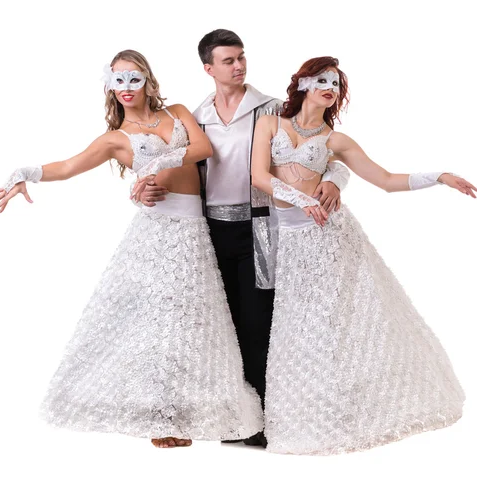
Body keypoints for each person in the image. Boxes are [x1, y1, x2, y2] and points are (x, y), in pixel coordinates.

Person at [0, 49, 263, 449]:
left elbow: (204, 148)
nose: (126, 88)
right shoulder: (115, 139)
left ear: (147, 80)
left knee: (196, 323)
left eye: (133, 79)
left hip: (195, 230)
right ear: (109, 86)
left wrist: (155, 169)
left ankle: (193, 411)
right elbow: (68, 166)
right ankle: (161, 418)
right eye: (117, 80)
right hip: (156, 234)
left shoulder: (178, 113)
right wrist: (24, 173)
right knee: (157, 323)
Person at [135, 29, 351, 448]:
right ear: (209, 68)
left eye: (241, 57)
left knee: (257, 321)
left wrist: (336, 178)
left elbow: (323, 145)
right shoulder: (196, 117)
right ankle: (227, 418)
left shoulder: (270, 109)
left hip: (262, 227)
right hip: (209, 228)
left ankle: (262, 421)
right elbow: (169, 164)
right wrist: (142, 189)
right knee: (218, 322)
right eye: (229, 60)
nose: (239, 65)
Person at [251, 56, 476, 455]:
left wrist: (437, 177)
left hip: (330, 238)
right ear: (302, 83)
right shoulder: (270, 124)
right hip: (290, 238)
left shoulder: (336, 141)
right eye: (322, 80)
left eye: (335, 84)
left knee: (339, 322)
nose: (329, 88)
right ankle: (301, 417)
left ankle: (349, 411)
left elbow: (387, 180)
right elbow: (259, 176)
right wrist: (302, 199)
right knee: (298, 328)